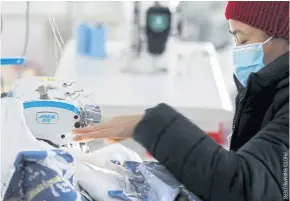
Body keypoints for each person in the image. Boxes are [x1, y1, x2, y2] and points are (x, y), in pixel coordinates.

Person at [72, 1, 289, 201]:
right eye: (234, 39)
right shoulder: (268, 89)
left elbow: (243, 185)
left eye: (244, 40)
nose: (238, 51)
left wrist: (152, 125)